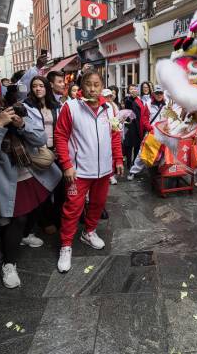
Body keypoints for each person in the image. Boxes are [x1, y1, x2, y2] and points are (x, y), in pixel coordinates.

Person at [0, 91, 61, 288]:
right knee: (15, 220)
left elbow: (40, 139)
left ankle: (26, 235)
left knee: (37, 206)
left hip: (33, 175)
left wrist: (21, 124)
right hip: (8, 184)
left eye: (1, 106)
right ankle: (8, 263)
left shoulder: (16, 122)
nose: (1, 112)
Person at [54, 70, 123, 273]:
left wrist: (118, 158)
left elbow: (115, 135)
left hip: (103, 170)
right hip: (79, 171)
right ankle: (66, 245)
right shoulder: (71, 107)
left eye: (96, 84)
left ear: (102, 87)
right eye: (88, 84)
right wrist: (66, 164)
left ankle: (89, 232)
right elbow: (60, 136)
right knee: (72, 208)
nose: (92, 88)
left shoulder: (109, 108)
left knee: (98, 204)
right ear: (81, 86)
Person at [23, 76, 62, 238]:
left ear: (47, 88)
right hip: (39, 152)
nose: (38, 89)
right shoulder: (26, 107)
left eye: (41, 86)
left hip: (57, 150)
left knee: (60, 186)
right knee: (44, 187)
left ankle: (58, 217)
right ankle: (45, 221)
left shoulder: (56, 106)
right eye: (34, 86)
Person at [127, 86, 178, 180]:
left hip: (164, 133)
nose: (159, 95)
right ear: (153, 93)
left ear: (163, 94)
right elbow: (144, 119)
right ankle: (133, 171)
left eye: (161, 93)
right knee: (142, 152)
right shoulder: (148, 104)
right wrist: (150, 128)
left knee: (163, 153)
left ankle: (160, 170)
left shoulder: (167, 104)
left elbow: (170, 117)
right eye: (157, 93)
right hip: (152, 132)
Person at [124, 84, 148, 169]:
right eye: (131, 89)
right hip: (131, 126)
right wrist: (132, 97)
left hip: (139, 125)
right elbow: (127, 108)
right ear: (128, 91)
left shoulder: (139, 100)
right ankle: (128, 163)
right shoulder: (127, 99)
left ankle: (134, 163)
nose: (133, 90)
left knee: (137, 145)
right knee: (129, 146)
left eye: (134, 89)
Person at [103, 88, 121, 185]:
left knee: (110, 157)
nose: (108, 98)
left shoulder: (112, 107)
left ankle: (110, 174)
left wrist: (118, 124)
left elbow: (115, 123)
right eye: (106, 96)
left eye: (109, 96)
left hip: (110, 137)